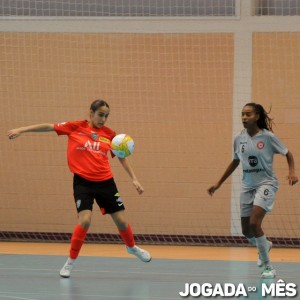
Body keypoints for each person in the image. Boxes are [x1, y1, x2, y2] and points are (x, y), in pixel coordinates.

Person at [7, 99, 151, 278]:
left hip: (106, 182)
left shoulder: (110, 135)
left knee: (121, 221)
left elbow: (121, 156)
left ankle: (131, 247)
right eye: (100, 115)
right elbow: (48, 126)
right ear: (91, 113)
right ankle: (70, 262)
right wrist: (21, 130)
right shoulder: (75, 127)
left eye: (106, 116)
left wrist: (134, 179)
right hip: (83, 182)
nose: (103, 119)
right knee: (85, 221)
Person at [207, 102, 298, 279]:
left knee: (255, 223)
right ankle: (264, 244)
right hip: (247, 186)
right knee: (246, 230)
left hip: (266, 184)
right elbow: (235, 162)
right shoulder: (238, 139)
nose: (244, 117)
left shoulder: (268, 137)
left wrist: (292, 172)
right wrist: (218, 183)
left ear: (257, 116)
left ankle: (268, 267)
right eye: (242, 114)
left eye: (248, 114)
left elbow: (288, 153)